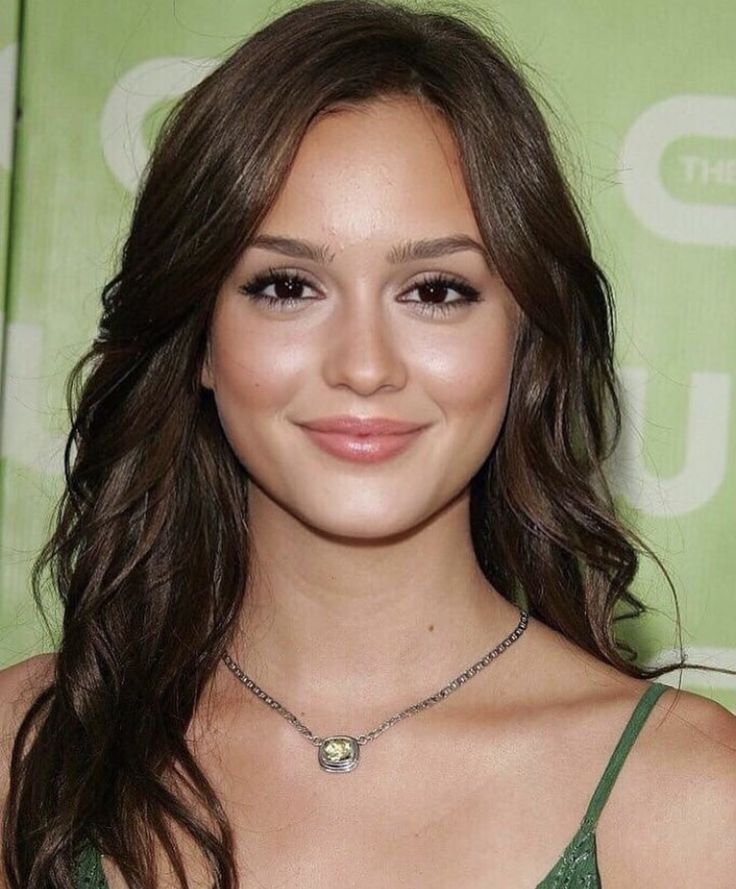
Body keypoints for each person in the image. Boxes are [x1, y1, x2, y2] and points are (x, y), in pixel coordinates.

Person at [1, 1, 735, 887]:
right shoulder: (27, 748)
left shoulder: (693, 795)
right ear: (198, 336)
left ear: (524, 337)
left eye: (434, 290)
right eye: (285, 285)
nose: (363, 365)